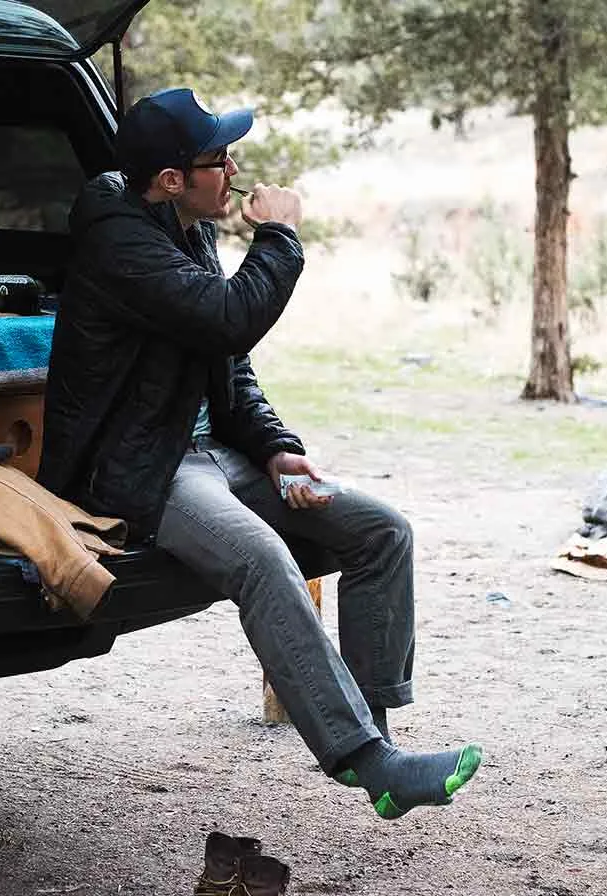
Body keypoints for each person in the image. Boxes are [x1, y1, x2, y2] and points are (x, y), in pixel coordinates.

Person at [37, 87, 483, 824]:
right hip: (144, 466)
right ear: (173, 179)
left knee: (381, 530)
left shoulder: (188, 229)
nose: (235, 170)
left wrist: (277, 450)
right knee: (262, 557)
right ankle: (365, 760)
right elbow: (229, 315)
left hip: (218, 453)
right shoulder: (119, 240)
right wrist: (279, 238)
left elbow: (228, 360)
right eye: (219, 159)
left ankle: (379, 738)